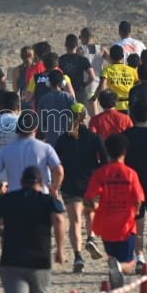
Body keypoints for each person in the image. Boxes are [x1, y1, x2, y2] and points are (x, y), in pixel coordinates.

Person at [84, 133, 146, 293]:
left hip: (106, 225)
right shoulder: (131, 174)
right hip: (126, 225)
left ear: (107, 152)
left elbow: (88, 198)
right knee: (129, 264)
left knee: (112, 262)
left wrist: (96, 207)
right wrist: (134, 211)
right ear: (124, 152)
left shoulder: (100, 174)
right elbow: (139, 199)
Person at [54, 104, 107, 273]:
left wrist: (56, 183)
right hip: (90, 183)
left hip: (70, 184)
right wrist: (97, 172)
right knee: (90, 213)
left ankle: (78, 256)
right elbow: (105, 160)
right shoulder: (94, 138)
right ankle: (91, 237)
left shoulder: (63, 139)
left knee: (75, 221)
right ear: (85, 117)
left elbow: (56, 163)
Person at [0, 111, 64, 195]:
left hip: (15, 195)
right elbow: (59, 171)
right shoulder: (45, 148)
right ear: (36, 128)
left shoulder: (6, 150)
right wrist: (54, 188)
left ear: (18, 128)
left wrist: (0, 187)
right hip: (40, 196)